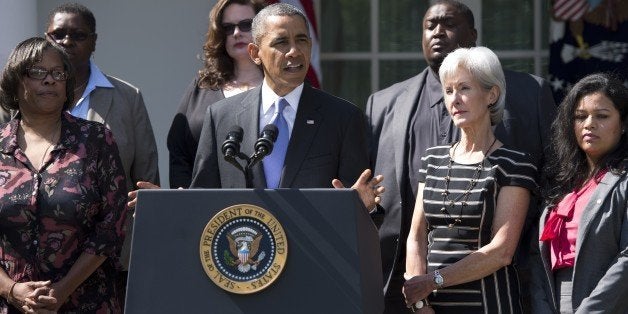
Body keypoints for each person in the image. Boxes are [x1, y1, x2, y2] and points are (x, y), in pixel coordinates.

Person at [365, 1, 556, 311]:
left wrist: (432, 282)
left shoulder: (530, 95)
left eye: (449, 24)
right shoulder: (383, 104)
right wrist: (418, 297)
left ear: (473, 34)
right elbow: (401, 223)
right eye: (430, 26)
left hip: (496, 288)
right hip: (405, 290)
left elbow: (554, 185)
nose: (438, 32)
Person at [187, 2, 383, 211]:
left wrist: (366, 208)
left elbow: (362, 205)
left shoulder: (344, 118)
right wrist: (166, 204)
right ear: (255, 53)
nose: (294, 51)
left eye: (301, 40)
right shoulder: (221, 117)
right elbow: (201, 202)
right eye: (281, 42)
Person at [402, 46, 537, 313]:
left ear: (492, 94)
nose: (455, 99)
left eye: (464, 88)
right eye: (449, 90)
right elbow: (416, 236)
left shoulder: (515, 164)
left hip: (488, 304)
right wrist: (419, 303)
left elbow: (501, 252)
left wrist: (433, 281)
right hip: (429, 306)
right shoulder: (432, 159)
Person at [0, 37, 128, 313]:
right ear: (15, 80)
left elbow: (112, 225)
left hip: (87, 301)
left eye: (58, 73)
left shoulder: (96, 140)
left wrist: (63, 290)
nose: (50, 80)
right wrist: (11, 289)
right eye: (37, 72)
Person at [44, 2, 159, 300]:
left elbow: (146, 180)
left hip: (112, 257)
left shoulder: (127, 98)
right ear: (46, 38)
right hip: (41, 256)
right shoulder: (21, 100)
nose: (67, 42)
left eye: (78, 35)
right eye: (59, 34)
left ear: (94, 41)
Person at [529, 73, 628, 313]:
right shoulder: (563, 183)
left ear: (624, 124)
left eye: (602, 116)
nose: (589, 124)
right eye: (580, 117)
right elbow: (537, 258)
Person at [167, 0, 266, 189]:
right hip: (205, 206)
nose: (237, 33)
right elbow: (178, 150)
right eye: (228, 28)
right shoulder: (203, 85)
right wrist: (183, 196)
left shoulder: (280, 86)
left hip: (266, 206)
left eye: (246, 25)